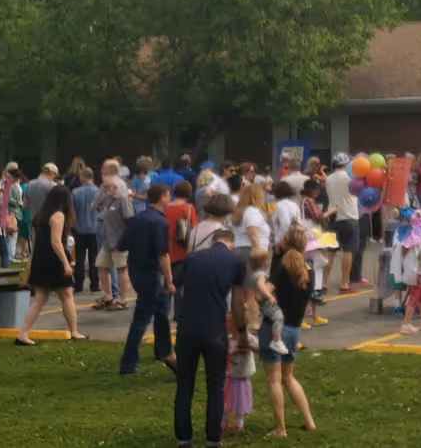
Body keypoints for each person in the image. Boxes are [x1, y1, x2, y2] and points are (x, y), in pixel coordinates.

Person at [175, 226, 246, 448]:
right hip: (214, 329)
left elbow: (180, 287)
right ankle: (213, 437)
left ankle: (183, 437)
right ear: (231, 244)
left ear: (213, 241)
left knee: (184, 385)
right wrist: (240, 331)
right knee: (215, 385)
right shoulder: (236, 262)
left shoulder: (194, 258)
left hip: (187, 328)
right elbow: (236, 303)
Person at [14, 185, 87, 345]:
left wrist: (30, 263)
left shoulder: (40, 215)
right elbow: (56, 241)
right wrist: (66, 263)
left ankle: (23, 333)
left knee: (39, 298)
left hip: (39, 258)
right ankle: (74, 331)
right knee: (67, 295)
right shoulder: (59, 215)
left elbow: (34, 241)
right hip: (54, 260)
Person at [118, 182, 177, 375]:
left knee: (161, 311)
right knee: (142, 318)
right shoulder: (160, 222)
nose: (169, 200)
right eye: (168, 196)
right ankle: (128, 362)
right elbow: (163, 255)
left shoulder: (136, 219)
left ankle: (164, 351)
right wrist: (169, 280)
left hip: (135, 270)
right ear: (161, 197)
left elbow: (122, 244)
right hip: (151, 273)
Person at [262, 228, 316, 437]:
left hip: (275, 328)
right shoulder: (308, 270)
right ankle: (309, 420)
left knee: (274, 380)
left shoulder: (282, 266)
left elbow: (266, 290)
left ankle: (280, 428)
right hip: (294, 329)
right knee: (288, 377)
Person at [326, 154, 367, 292]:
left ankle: (323, 283)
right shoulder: (351, 179)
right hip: (349, 216)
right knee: (348, 251)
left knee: (330, 251)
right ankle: (344, 283)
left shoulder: (329, 178)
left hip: (332, 216)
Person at [96, 178, 136, 309]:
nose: (105, 191)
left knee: (121, 269)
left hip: (119, 241)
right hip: (107, 240)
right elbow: (95, 207)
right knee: (101, 265)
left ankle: (123, 299)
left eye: (108, 188)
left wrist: (125, 240)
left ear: (116, 188)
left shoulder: (123, 201)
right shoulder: (107, 201)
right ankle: (108, 296)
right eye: (104, 188)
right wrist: (101, 196)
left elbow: (130, 220)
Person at [72, 170, 100, 295]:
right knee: (95, 258)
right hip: (95, 229)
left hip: (80, 228)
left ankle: (78, 284)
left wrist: (73, 225)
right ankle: (95, 284)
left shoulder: (75, 192)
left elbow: (72, 212)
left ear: (82, 177)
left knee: (79, 258)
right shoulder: (99, 192)